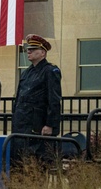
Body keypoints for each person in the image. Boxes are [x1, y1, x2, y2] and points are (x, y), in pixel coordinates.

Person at [12, 34, 63, 164]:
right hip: (22, 125)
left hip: (38, 125)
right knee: (19, 162)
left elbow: (54, 100)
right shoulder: (26, 73)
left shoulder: (50, 71)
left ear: (42, 53)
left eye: (33, 49)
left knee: (37, 163)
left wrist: (50, 124)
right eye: (28, 49)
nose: (28, 51)